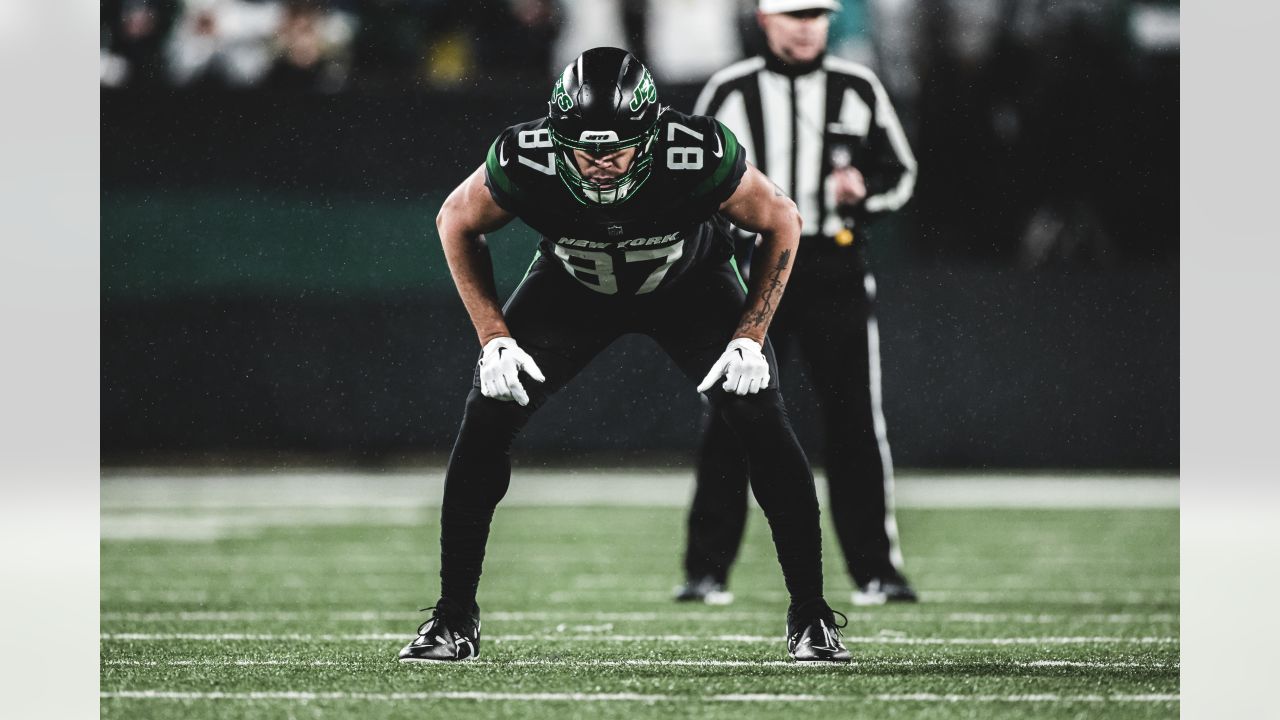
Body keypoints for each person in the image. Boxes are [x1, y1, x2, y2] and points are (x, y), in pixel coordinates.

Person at [397, 47, 850, 663]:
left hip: (691, 287)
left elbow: (783, 220)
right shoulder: (525, 156)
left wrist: (750, 332)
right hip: (571, 290)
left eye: (615, 150)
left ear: (650, 134)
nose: (600, 165)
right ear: (559, 138)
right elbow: (456, 220)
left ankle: (812, 616)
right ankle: (453, 619)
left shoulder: (697, 152)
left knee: (763, 424)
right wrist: (492, 336)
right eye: (585, 151)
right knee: (484, 423)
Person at [674, 0, 919, 607]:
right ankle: (706, 570)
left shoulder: (857, 87)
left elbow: (902, 173)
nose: (806, 25)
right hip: (755, 272)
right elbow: (688, 180)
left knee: (855, 422)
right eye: (794, 14)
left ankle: (876, 571)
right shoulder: (730, 91)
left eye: (817, 15)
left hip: (834, 265)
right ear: (765, 19)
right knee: (731, 416)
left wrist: (864, 192)